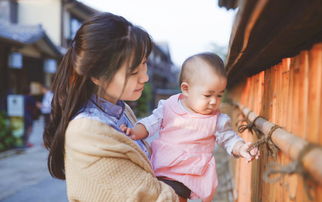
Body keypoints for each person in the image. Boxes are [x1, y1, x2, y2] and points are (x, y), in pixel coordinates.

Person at [43, 12, 178, 201]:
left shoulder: (120, 109)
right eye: (133, 72)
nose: (145, 78)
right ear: (97, 76)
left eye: (144, 63)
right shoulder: (87, 130)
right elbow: (151, 197)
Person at [120, 52, 260, 202]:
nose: (214, 101)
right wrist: (134, 132)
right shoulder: (169, 106)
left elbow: (229, 139)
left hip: (189, 174)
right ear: (186, 89)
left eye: (219, 95)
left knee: (175, 197)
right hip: (161, 166)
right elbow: (151, 123)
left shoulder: (216, 119)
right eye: (208, 95)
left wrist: (241, 148)